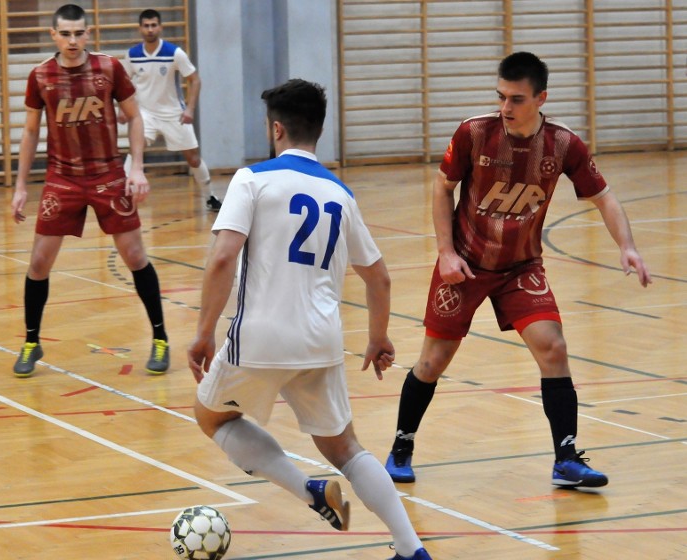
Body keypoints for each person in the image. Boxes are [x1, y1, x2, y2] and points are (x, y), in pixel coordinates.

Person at [187, 79, 431, 560]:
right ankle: (411, 549)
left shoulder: (251, 179)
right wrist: (378, 337)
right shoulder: (341, 194)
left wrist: (202, 332)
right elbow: (378, 278)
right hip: (322, 341)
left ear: (276, 129)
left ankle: (309, 492)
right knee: (346, 448)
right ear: (318, 130)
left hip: (259, 336)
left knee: (211, 414)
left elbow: (222, 260)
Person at [385, 51, 652, 489]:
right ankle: (401, 448)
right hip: (466, 264)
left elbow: (604, 196)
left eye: (516, 99)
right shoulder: (475, 133)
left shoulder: (564, 144)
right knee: (433, 361)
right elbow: (442, 187)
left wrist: (627, 247)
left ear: (541, 98)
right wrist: (446, 253)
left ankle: (566, 459)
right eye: (501, 97)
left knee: (553, 347)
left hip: (521, 267)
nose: (506, 108)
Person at [10, 4, 170, 378]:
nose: (72, 40)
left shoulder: (109, 68)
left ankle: (160, 337)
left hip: (108, 175)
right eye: (65, 33)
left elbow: (134, 117)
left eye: (78, 33)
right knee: (38, 264)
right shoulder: (40, 76)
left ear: (88, 33)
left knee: (134, 255)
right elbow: (31, 131)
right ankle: (32, 341)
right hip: (62, 178)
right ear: (53, 35)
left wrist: (137, 168)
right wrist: (20, 187)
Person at [120, 8, 222, 212]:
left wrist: (190, 109)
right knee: (134, 152)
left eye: (153, 25)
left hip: (173, 114)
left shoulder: (174, 53)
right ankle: (124, 197)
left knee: (193, 158)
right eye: (146, 26)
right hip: (144, 114)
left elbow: (195, 80)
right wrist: (123, 109)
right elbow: (123, 83)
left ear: (160, 27)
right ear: (140, 28)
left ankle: (210, 196)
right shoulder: (132, 55)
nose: (150, 29)